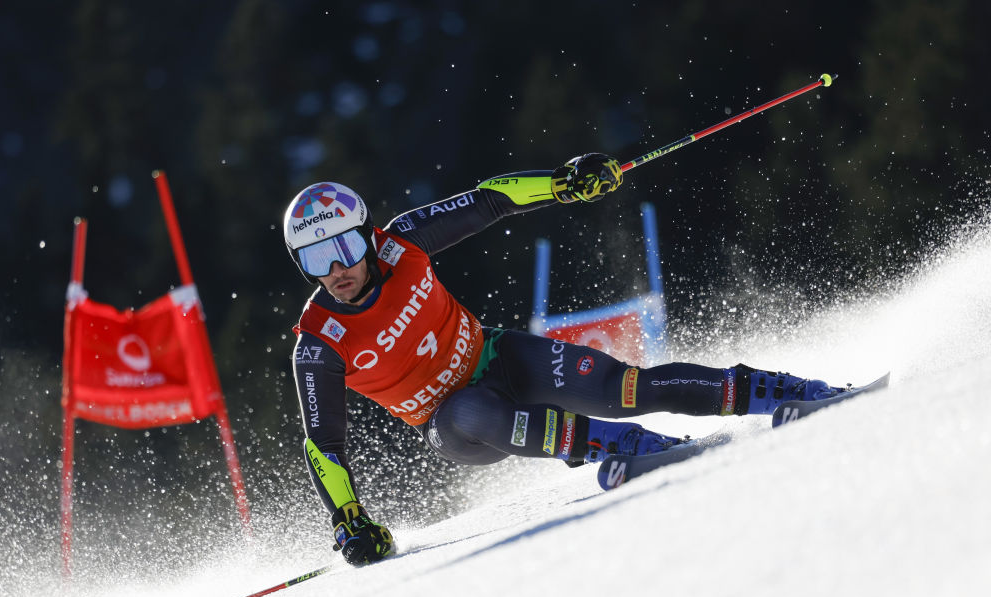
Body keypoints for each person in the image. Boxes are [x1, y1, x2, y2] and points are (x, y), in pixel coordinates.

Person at [284, 153, 845, 567]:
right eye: (316, 258)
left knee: (628, 388)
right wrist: (349, 521)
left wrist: (562, 184)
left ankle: (787, 391)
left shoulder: (401, 242)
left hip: (500, 357)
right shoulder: (319, 343)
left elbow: (488, 200)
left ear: (366, 235)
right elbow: (322, 442)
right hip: (453, 425)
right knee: (470, 412)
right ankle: (629, 447)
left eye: (345, 248)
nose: (337, 269)